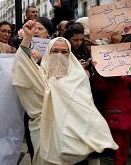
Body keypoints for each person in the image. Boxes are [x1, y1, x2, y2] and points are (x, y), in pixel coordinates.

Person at [12, 20, 118, 164]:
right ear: (48, 54)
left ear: (70, 55)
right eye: (55, 51)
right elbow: (22, 66)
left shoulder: (79, 77)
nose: (60, 54)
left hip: (78, 143)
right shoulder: (39, 75)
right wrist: (27, 38)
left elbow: (88, 109)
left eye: (64, 52)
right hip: (45, 135)